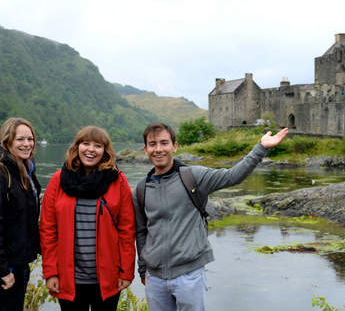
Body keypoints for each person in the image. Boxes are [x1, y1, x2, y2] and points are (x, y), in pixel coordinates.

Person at [134, 122, 288, 311]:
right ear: (145, 149)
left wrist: (261, 148)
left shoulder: (194, 176)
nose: (158, 149)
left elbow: (233, 176)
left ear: (174, 146)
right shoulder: (141, 189)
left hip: (189, 275)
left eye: (164, 143)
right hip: (155, 279)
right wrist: (143, 270)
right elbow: (141, 233)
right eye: (152, 144)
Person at [40, 126, 136, 311]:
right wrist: (51, 271)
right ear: (77, 147)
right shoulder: (58, 180)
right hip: (69, 279)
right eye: (85, 143)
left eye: (98, 145)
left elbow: (127, 230)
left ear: (105, 152)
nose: (91, 149)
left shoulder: (118, 181)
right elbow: (48, 230)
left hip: (108, 278)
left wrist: (126, 271)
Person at [0, 118, 41, 311]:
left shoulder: (26, 170)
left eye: (30, 139)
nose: (27, 144)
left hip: (20, 261)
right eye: (20, 139)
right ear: (8, 142)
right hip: (7, 267)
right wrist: (3, 269)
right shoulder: (3, 174)